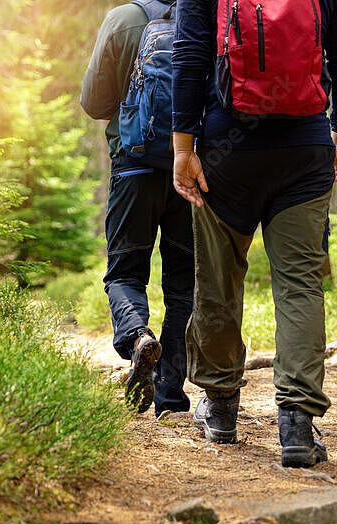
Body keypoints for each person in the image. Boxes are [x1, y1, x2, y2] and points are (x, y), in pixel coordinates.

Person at [171, 0, 337, 467]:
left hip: (226, 152)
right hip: (304, 149)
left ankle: (220, 407)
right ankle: (297, 423)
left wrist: (182, 148)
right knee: (300, 285)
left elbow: (190, 55)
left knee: (218, 280)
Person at [81, 1, 195, 416]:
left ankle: (137, 337)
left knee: (125, 273)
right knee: (184, 285)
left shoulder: (123, 19)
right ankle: (171, 396)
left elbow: (94, 103)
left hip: (133, 165)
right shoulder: (205, 15)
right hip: (191, 168)